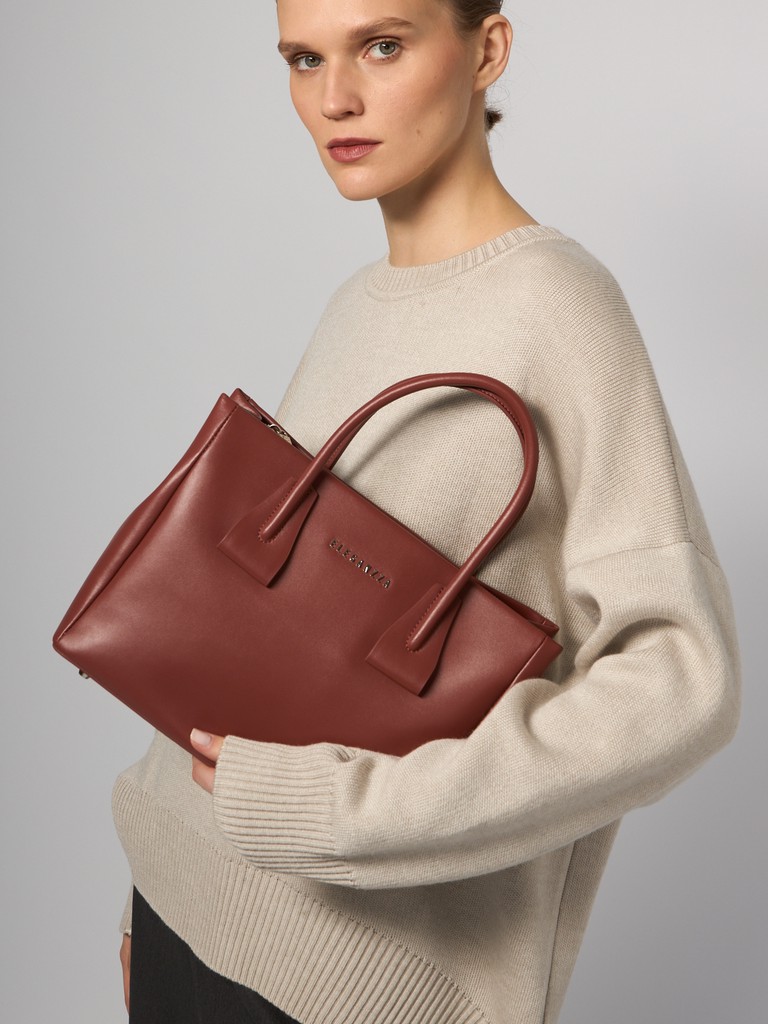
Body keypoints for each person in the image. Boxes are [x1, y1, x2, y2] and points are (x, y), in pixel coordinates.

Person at [115, 1, 740, 1021]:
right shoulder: (360, 301)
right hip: (185, 908)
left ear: (487, 49)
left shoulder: (559, 305)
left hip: (342, 983)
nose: (335, 98)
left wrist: (340, 808)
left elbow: (681, 684)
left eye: (383, 46)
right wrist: (157, 884)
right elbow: (272, 634)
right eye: (303, 59)